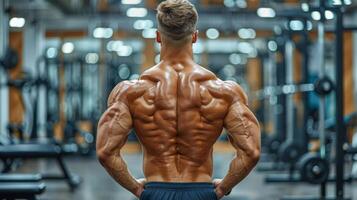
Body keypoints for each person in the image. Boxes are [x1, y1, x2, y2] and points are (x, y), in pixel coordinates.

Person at [96, 0, 260, 199]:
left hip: (155, 191)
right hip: (201, 191)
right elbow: (251, 152)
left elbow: (105, 152)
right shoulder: (225, 92)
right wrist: (223, 187)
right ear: (195, 36)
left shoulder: (130, 92)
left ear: (158, 37)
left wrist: (136, 189)